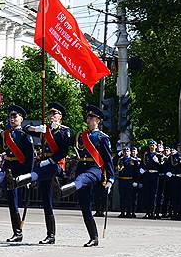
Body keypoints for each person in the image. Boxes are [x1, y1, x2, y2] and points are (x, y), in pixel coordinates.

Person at [8, 102, 72, 245]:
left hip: (54, 165)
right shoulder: (45, 129)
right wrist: (36, 128)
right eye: (50, 114)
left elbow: (64, 151)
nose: (52, 116)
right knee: (46, 201)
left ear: (60, 117)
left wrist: (50, 160)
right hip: (43, 167)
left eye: (55, 114)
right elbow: (25, 129)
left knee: (41, 177)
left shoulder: (64, 131)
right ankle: (51, 235)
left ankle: (25, 179)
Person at [58, 105, 115, 247]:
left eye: (91, 117)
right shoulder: (80, 135)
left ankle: (65, 190)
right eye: (88, 117)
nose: (88, 119)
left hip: (95, 169)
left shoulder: (102, 138)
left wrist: (111, 178)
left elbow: (108, 159)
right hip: (81, 168)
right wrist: (58, 128)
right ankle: (94, 237)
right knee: (85, 207)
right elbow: (65, 141)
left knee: (81, 180)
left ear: (98, 120)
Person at [0, 105, 34, 242]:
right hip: (7, 166)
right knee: (10, 200)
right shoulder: (6, 134)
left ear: (21, 119)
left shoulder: (25, 136)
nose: (12, 119)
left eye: (15, 116)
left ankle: (17, 232)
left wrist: (28, 177)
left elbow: (30, 158)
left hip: (19, 168)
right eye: (11, 116)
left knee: (14, 202)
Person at [139, 139, 161, 219]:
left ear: (155, 146)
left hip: (155, 175)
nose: (151, 147)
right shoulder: (146, 155)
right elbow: (143, 164)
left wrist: (157, 162)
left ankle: (153, 213)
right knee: (147, 194)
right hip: (147, 175)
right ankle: (148, 212)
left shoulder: (158, 155)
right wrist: (142, 169)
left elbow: (161, 167)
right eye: (150, 145)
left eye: (153, 145)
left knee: (154, 195)